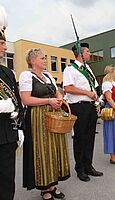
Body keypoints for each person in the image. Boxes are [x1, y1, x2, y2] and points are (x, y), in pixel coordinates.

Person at [19, 48, 70, 200]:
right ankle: (44, 188)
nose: (45, 60)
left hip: (54, 115)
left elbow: (57, 92)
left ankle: (52, 184)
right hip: (37, 118)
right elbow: (26, 100)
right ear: (33, 61)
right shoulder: (26, 75)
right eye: (42, 58)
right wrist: (48, 101)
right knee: (42, 151)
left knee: (54, 148)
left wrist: (59, 98)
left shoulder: (48, 76)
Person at [63, 43, 103, 182]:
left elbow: (95, 88)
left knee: (90, 137)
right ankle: (79, 168)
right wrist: (87, 93)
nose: (90, 53)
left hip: (91, 106)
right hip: (79, 106)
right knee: (80, 138)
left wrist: (97, 102)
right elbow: (67, 88)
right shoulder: (70, 69)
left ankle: (88, 165)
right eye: (87, 51)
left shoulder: (88, 69)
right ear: (80, 53)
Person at [0, 12, 24, 200]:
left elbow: (17, 102)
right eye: (1, 44)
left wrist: (20, 128)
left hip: (8, 133)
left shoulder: (8, 72)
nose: (4, 47)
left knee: (8, 178)